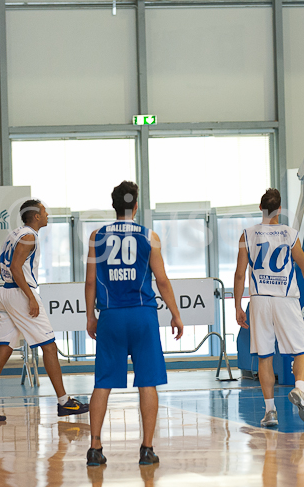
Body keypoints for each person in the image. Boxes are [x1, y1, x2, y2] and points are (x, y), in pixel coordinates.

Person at [85, 181, 184, 466]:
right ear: (136, 205)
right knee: (148, 382)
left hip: (111, 315)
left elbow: (91, 281)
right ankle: (147, 449)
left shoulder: (96, 236)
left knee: (102, 383)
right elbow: (162, 280)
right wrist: (176, 314)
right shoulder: (149, 236)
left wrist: (91, 315)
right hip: (142, 314)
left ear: (114, 205)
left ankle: (95, 448)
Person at [0, 200, 89, 423]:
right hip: (19, 294)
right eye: (44, 211)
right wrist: (30, 297)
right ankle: (65, 402)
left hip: (6, 293)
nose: (46, 215)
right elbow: (15, 268)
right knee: (50, 346)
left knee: (3, 351)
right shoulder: (29, 236)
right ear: (35, 216)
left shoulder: (14, 234)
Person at [234, 188, 304, 427]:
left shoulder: (246, 235)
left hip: (259, 299)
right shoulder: (290, 234)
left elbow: (240, 275)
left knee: (265, 356)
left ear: (261, 208)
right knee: (300, 350)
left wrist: (239, 306)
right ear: (279, 209)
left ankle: (270, 411)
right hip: (285, 298)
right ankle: (299, 389)